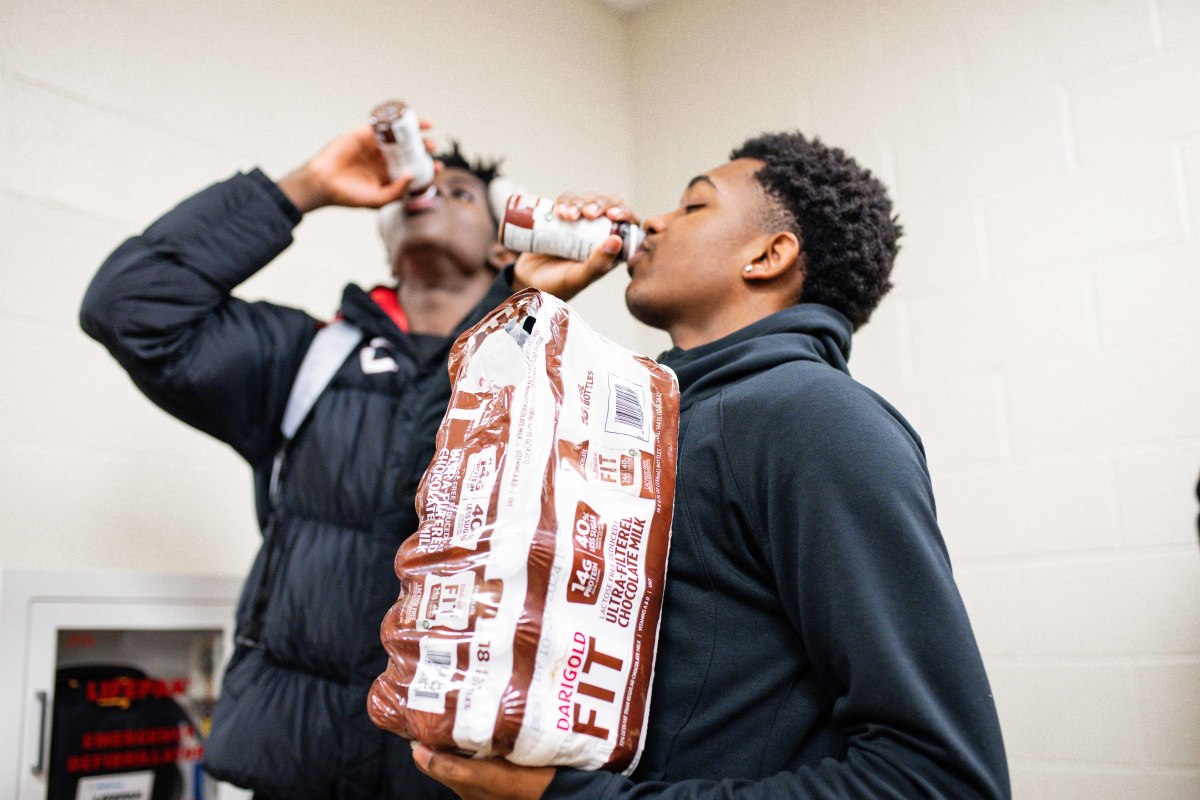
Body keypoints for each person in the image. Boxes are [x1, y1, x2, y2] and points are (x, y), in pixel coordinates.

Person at [408, 131, 1012, 799]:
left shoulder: (816, 417)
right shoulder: (647, 422)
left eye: (694, 206)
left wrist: (567, 798)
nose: (655, 220)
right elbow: (420, 496)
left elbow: (940, 782)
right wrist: (520, 294)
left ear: (767, 254)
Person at [79, 122, 538, 800]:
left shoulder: (548, 378)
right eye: (416, 186)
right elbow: (128, 306)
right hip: (295, 769)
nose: (429, 192)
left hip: (460, 780)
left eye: (461, 192)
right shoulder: (306, 358)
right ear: (386, 241)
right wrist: (302, 190)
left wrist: (523, 301)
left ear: (502, 243)